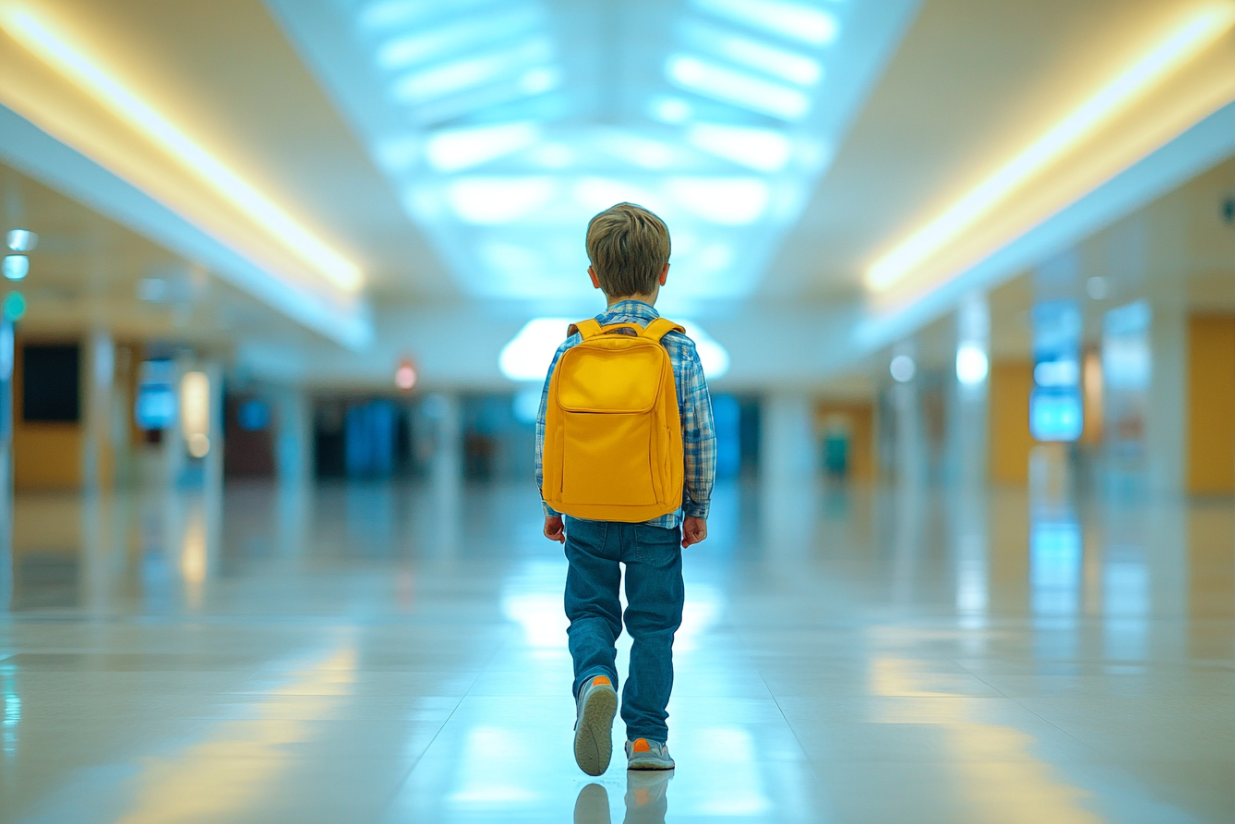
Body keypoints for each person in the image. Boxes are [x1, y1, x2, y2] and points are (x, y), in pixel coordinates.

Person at [535, 202, 716, 776]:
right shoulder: (676, 346)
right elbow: (699, 433)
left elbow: (548, 429)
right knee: (654, 624)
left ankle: (593, 679)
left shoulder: (573, 346)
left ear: (594, 275)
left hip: (585, 509)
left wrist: (551, 500)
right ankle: (645, 740)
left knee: (589, 609)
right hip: (657, 513)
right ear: (664, 272)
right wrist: (697, 506)